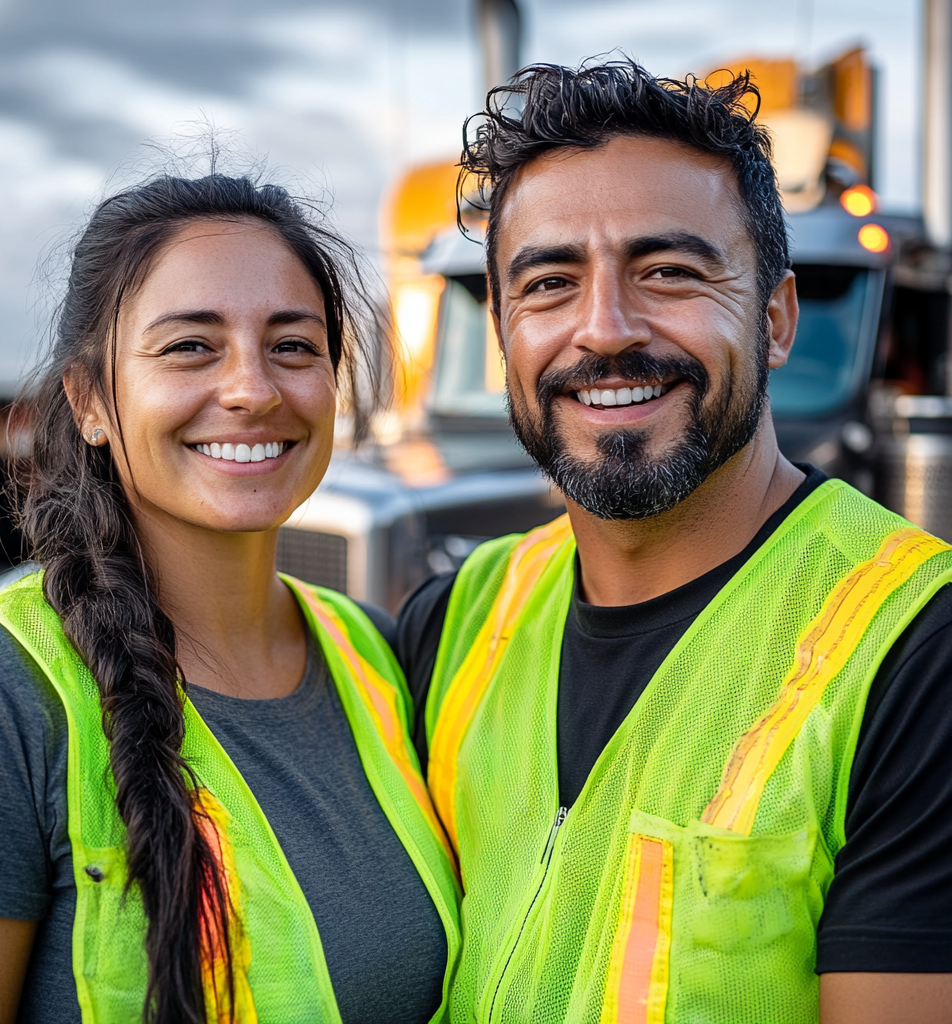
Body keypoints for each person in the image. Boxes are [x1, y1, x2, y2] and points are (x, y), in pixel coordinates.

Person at [396, 61, 952, 1024]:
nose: (604, 329)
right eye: (550, 282)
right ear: (502, 329)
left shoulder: (914, 647)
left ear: (775, 318)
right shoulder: (451, 624)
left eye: (669, 273)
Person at [0, 173, 460, 1024]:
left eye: (293, 346)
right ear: (91, 400)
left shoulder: (377, 656)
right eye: (189, 347)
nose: (252, 388)